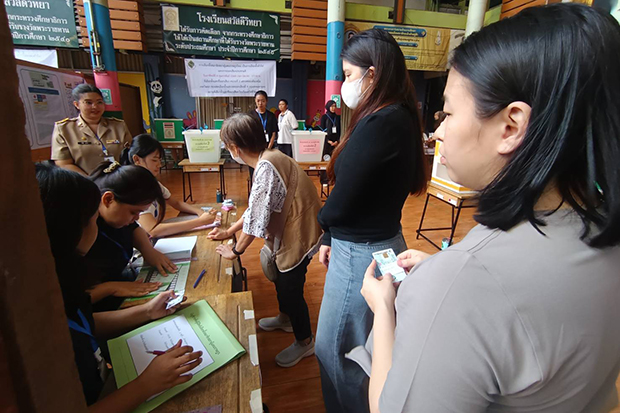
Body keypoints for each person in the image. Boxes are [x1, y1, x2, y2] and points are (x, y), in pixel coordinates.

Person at [358, 5, 620, 412]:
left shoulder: (460, 289)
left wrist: (385, 308)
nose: (440, 129)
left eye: (448, 111)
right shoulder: (603, 229)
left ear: (511, 126)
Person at [315, 29, 428, 413]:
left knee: (338, 354)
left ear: (373, 74)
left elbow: (344, 200)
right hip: (373, 242)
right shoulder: (392, 116)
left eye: (348, 74)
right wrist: (330, 234)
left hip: (361, 252)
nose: (345, 84)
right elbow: (357, 192)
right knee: (361, 347)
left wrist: (321, 221)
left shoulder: (384, 122)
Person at [35, 162, 202, 411]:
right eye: (93, 219)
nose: (97, 225)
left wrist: (146, 312)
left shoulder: (57, 284)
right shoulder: (36, 328)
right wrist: (145, 385)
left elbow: (84, 322)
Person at [208, 113, 323, 368]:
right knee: (282, 281)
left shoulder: (266, 167)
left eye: (228, 147)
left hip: (300, 235)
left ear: (235, 148)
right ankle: (286, 318)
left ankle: (305, 342)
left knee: (290, 287)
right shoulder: (268, 159)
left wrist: (235, 251)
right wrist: (230, 232)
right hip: (297, 228)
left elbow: (257, 218)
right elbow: (255, 208)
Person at [85, 161, 178, 310]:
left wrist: (148, 250)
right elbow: (72, 301)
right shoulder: (84, 231)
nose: (136, 218)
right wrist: (111, 287)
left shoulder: (117, 220)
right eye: (133, 212)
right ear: (108, 200)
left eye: (140, 213)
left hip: (122, 281)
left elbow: (134, 229)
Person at [121, 134, 216, 237]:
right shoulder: (134, 189)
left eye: (160, 160)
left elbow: (176, 203)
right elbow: (153, 230)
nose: (159, 165)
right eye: (154, 160)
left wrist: (200, 212)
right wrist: (200, 221)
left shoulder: (153, 183)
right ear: (137, 160)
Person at [51, 84, 132, 176]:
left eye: (99, 102)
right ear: (77, 104)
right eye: (88, 103)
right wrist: (90, 181)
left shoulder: (118, 126)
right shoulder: (64, 129)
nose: (95, 106)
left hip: (118, 181)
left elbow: (130, 154)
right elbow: (63, 163)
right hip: (83, 184)